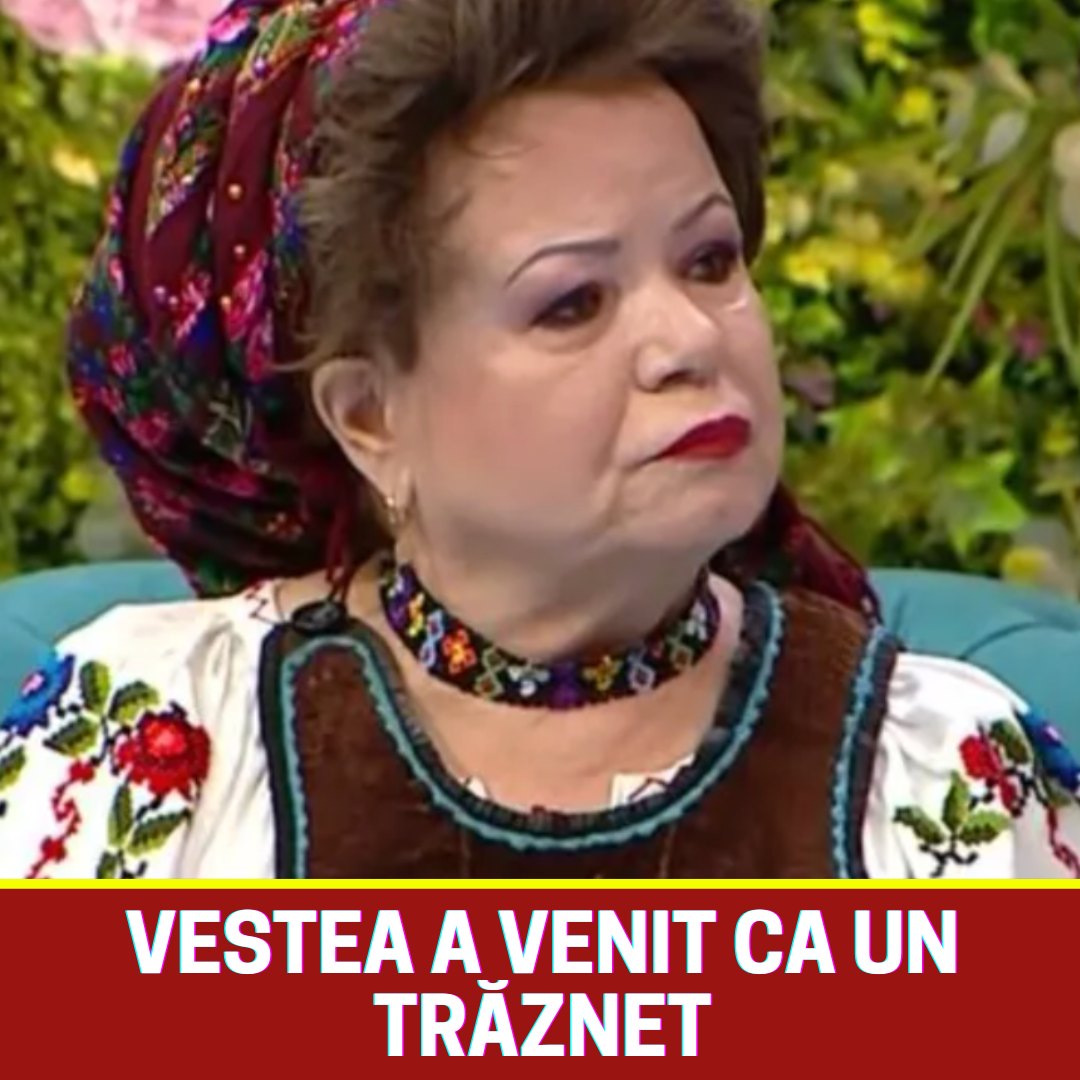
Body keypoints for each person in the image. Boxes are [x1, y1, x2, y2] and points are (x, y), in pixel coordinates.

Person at [2, 0, 1078, 880]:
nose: (689, 340)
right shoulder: (155, 746)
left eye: (709, 261)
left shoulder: (941, 773)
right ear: (371, 417)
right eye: (572, 302)